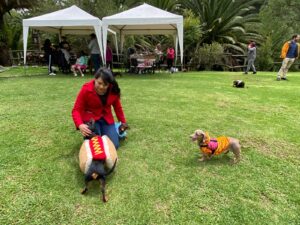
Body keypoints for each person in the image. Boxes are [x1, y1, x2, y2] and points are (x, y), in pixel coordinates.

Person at [72, 68, 127, 149]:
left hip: (106, 118)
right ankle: (94, 134)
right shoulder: (86, 89)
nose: (101, 87)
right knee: (97, 145)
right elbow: (76, 110)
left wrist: (123, 123)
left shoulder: (113, 90)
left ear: (109, 84)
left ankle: (114, 128)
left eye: (105, 85)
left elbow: (117, 108)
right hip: (91, 120)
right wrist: (80, 124)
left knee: (114, 145)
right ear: (95, 79)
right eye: (99, 83)